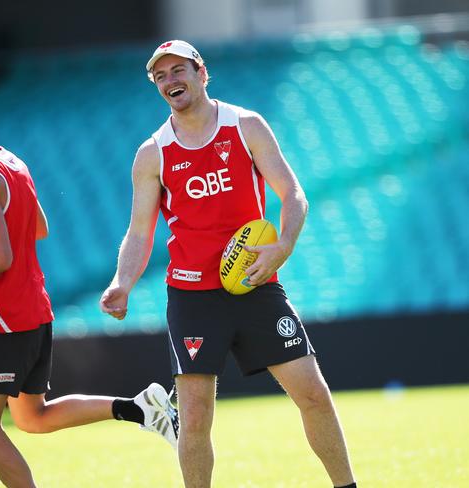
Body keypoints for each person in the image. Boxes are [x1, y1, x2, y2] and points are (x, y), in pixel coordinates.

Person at [100, 41, 357, 488]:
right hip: (193, 298)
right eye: (160, 76)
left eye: (179, 70)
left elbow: (292, 193)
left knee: (313, 394)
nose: (170, 81)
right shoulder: (152, 154)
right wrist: (123, 282)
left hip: (257, 283)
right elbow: (140, 231)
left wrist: (284, 246)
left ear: (202, 72)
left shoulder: (246, 125)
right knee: (195, 417)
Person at [0, 85, 178, 488]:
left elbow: (0, 259)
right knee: (31, 418)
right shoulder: (7, 161)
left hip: (1, 319)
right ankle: (138, 408)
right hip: (33, 311)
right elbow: (38, 227)